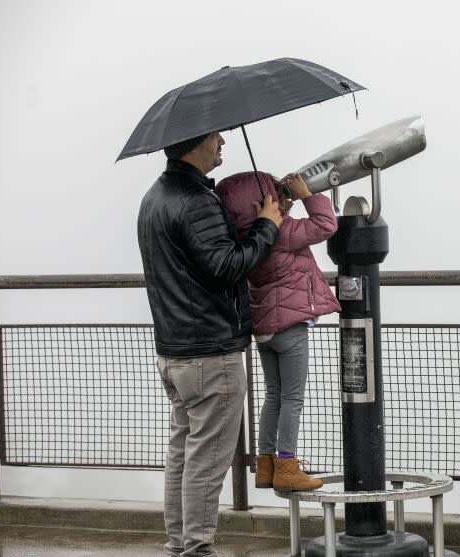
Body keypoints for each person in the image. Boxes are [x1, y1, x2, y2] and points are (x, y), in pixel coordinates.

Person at [137, 131, 283, 557]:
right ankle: (197, 548)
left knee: (183, 453)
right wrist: (268, 227)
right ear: (195, 143)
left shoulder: (155, 196)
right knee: (207, 458)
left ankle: (178, 543)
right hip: (209, 353)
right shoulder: (195, 200)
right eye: (216, 137)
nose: (222, 141)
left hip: (175, 351)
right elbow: (225, 266)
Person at [215, 171, 341, 492]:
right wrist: (307, 194)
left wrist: (283, 201)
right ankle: (287, 464)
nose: (283, 201)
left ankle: (265, 463)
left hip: (265, 330)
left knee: (274, 395)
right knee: (292, 398)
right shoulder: (284, 231)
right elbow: (326, 225)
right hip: (290, 327)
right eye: (277, 196)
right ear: (262, 203)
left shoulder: (248, 240)